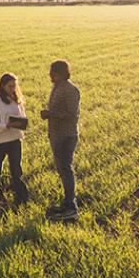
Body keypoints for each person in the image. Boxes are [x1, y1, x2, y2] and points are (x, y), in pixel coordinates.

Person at [40, 59, 81, 220]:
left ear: (62, 74)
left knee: (66, 168)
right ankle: (67, 203)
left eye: (53, 73)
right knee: (62, 169)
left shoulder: (71, 90)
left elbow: (73, 115)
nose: (50, 76)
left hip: (66, 136)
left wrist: (51, 114)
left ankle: (71, 207)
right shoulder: (57, 87)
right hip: (57, 135)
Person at [0, 72, 29, 208]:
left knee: (16, 170)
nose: (13, 89)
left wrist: (21, 123)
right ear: (3, 86)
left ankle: (21, 198)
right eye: (10, 86)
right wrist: (6, 126)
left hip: (16, 139)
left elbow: (23, 116)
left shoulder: (17, 100)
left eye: (14, 86)